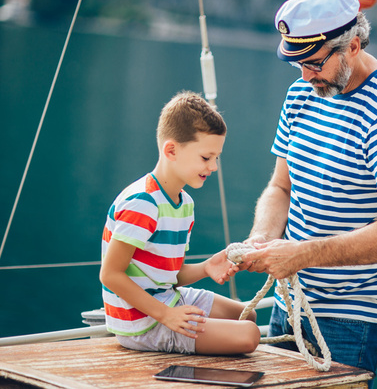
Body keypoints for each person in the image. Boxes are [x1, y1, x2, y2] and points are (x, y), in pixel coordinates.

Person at [240, 0, 377, 383]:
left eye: (313, 63)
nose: (305, 75)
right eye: (296, 64)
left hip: (353, 318)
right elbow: (281, 188)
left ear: (353, 46)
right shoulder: (302, 92)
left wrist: (301, 255)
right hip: (290, 300)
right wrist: (261, 238)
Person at [100, 91, 260, 356]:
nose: (214, 167)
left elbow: (169, 275)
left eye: (216, 158)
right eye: (206, 158)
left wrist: (207, 267)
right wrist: (167, 315)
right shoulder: (142, 203)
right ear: (171, 150)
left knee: (247, 315)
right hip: (142, 321)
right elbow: (110, 274)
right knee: (249, 335)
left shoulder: (184, 203)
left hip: (167, 300)